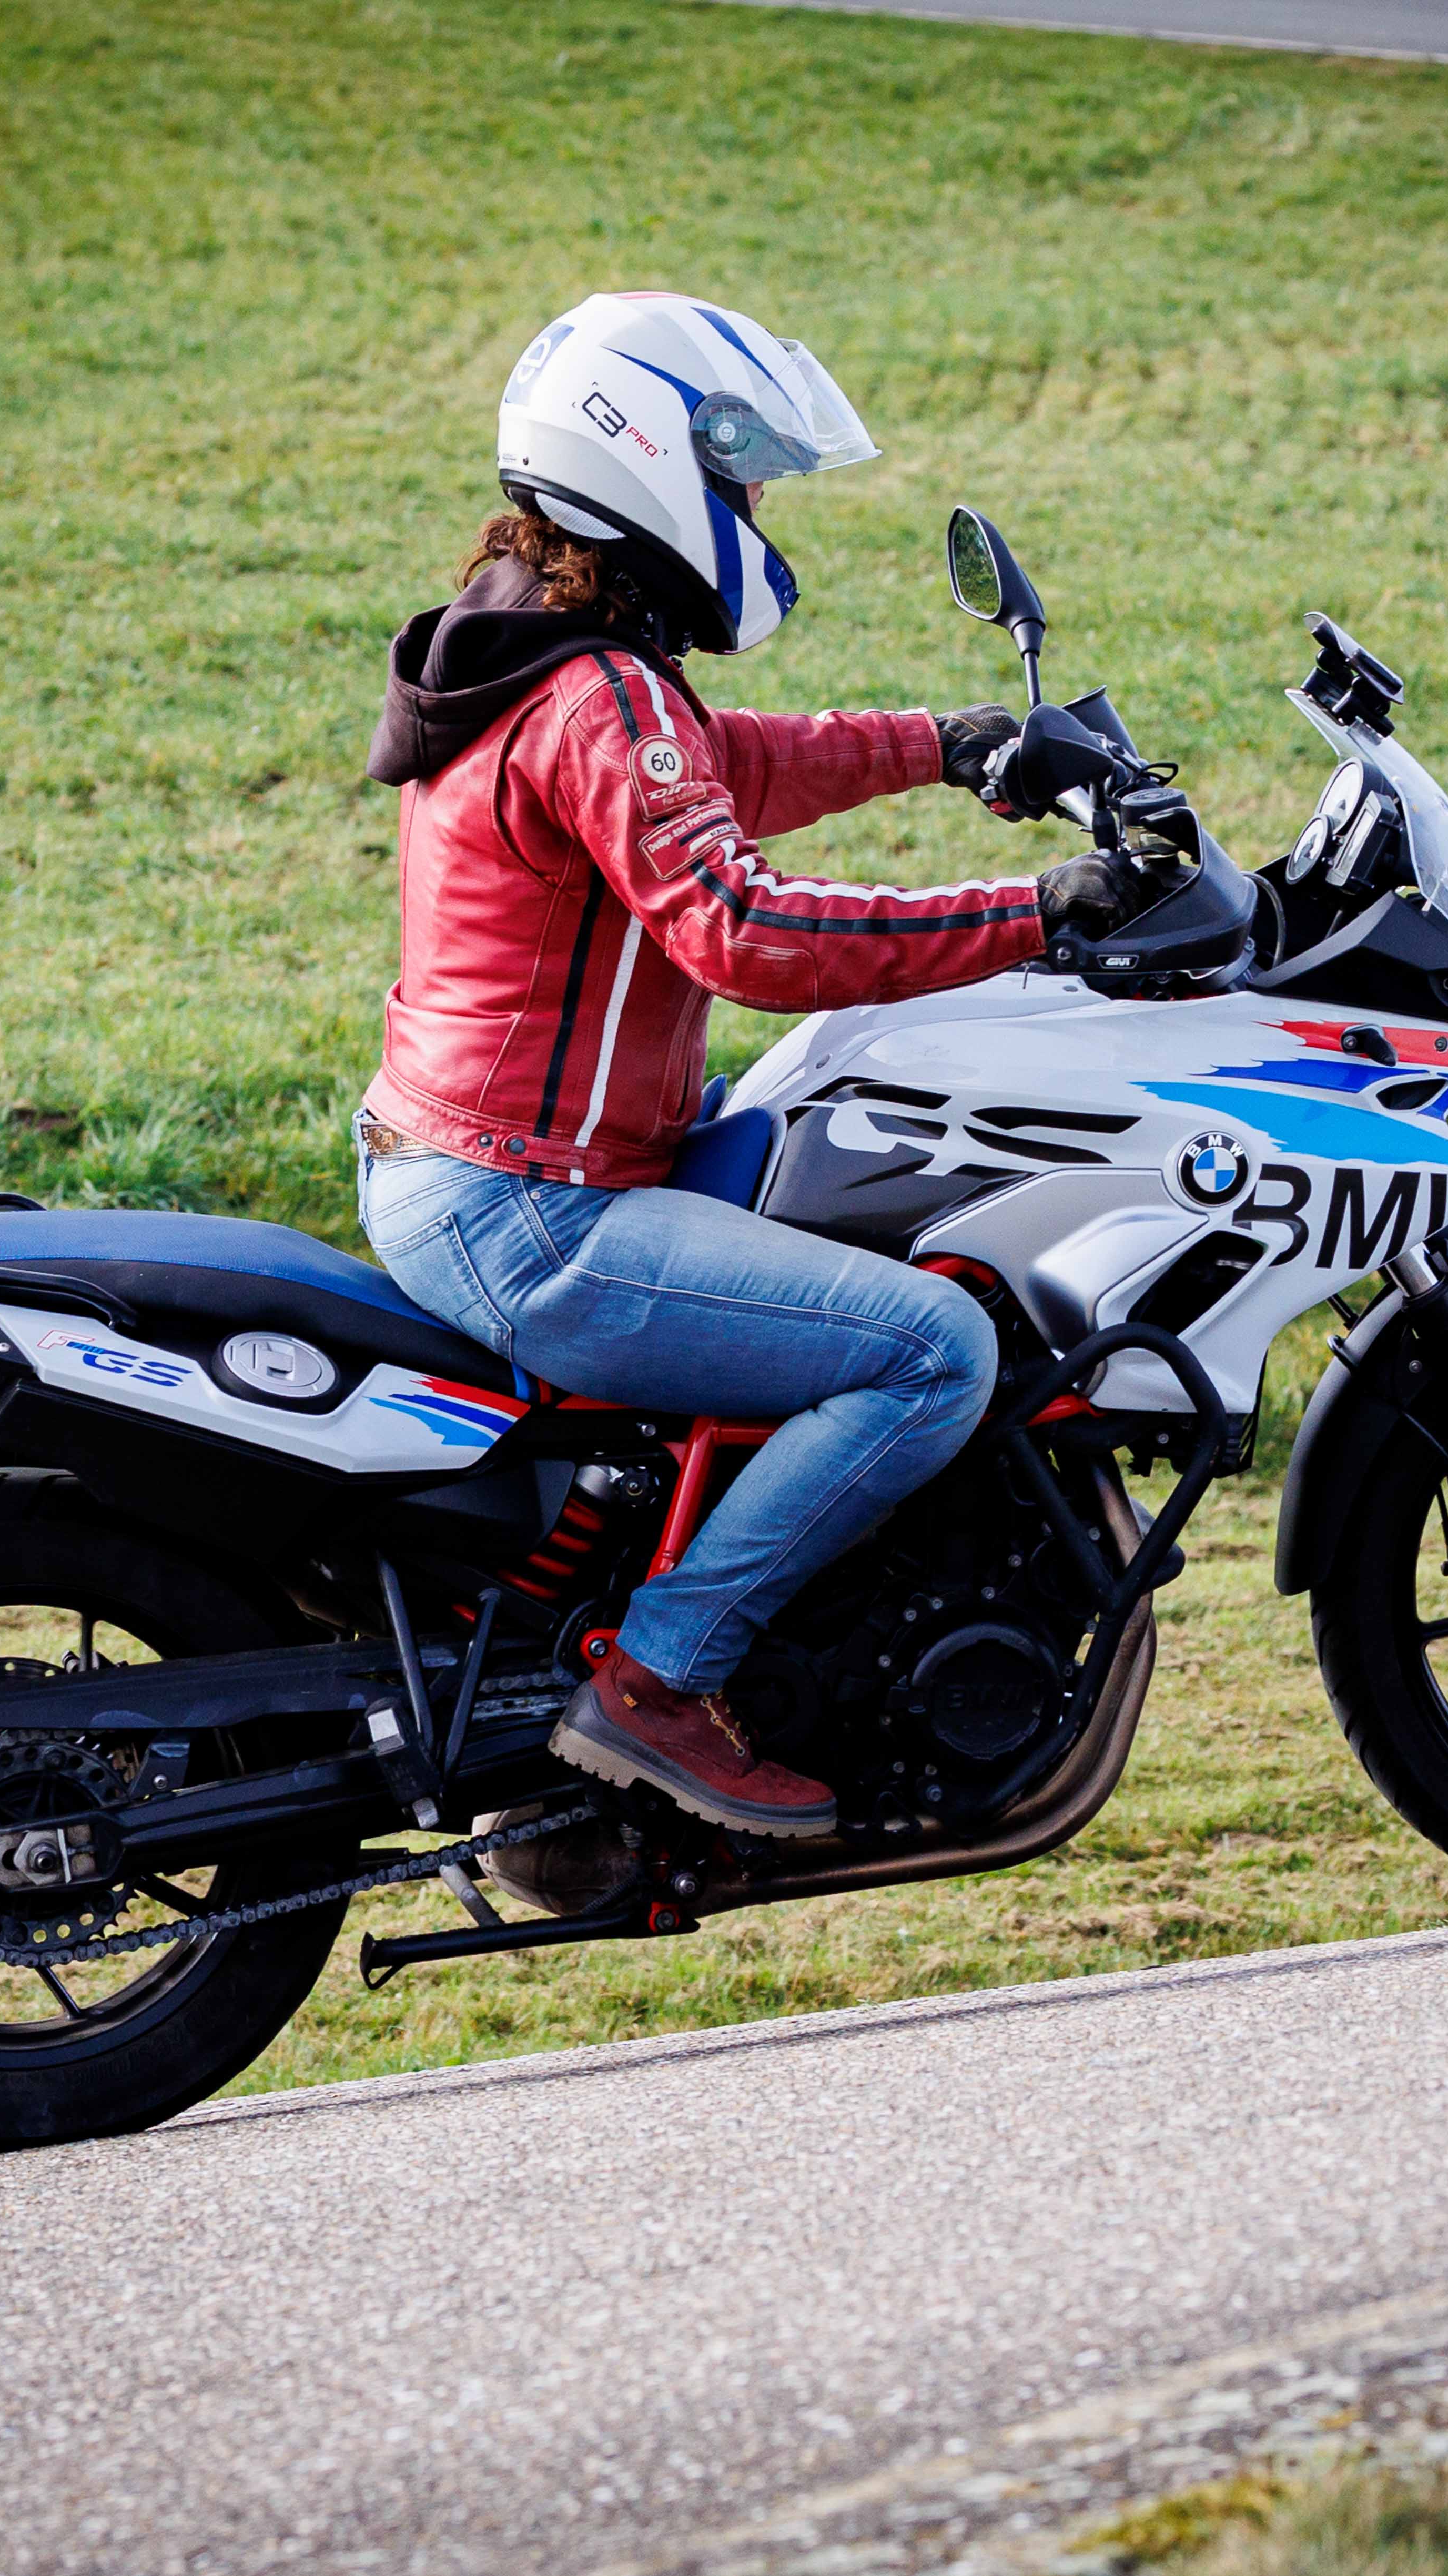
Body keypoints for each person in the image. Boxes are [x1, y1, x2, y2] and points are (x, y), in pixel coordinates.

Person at [356, 291, 1133, 1840]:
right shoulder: (595, 693)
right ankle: (661, 1676)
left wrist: (950, 741)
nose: (758, 509)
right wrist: (1034, 911)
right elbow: (744, 929)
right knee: (931, 1351)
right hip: (533, 1209)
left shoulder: (543, 654)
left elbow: (726, 767)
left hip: (486, 1169)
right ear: (648, 462)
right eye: (741, 477)